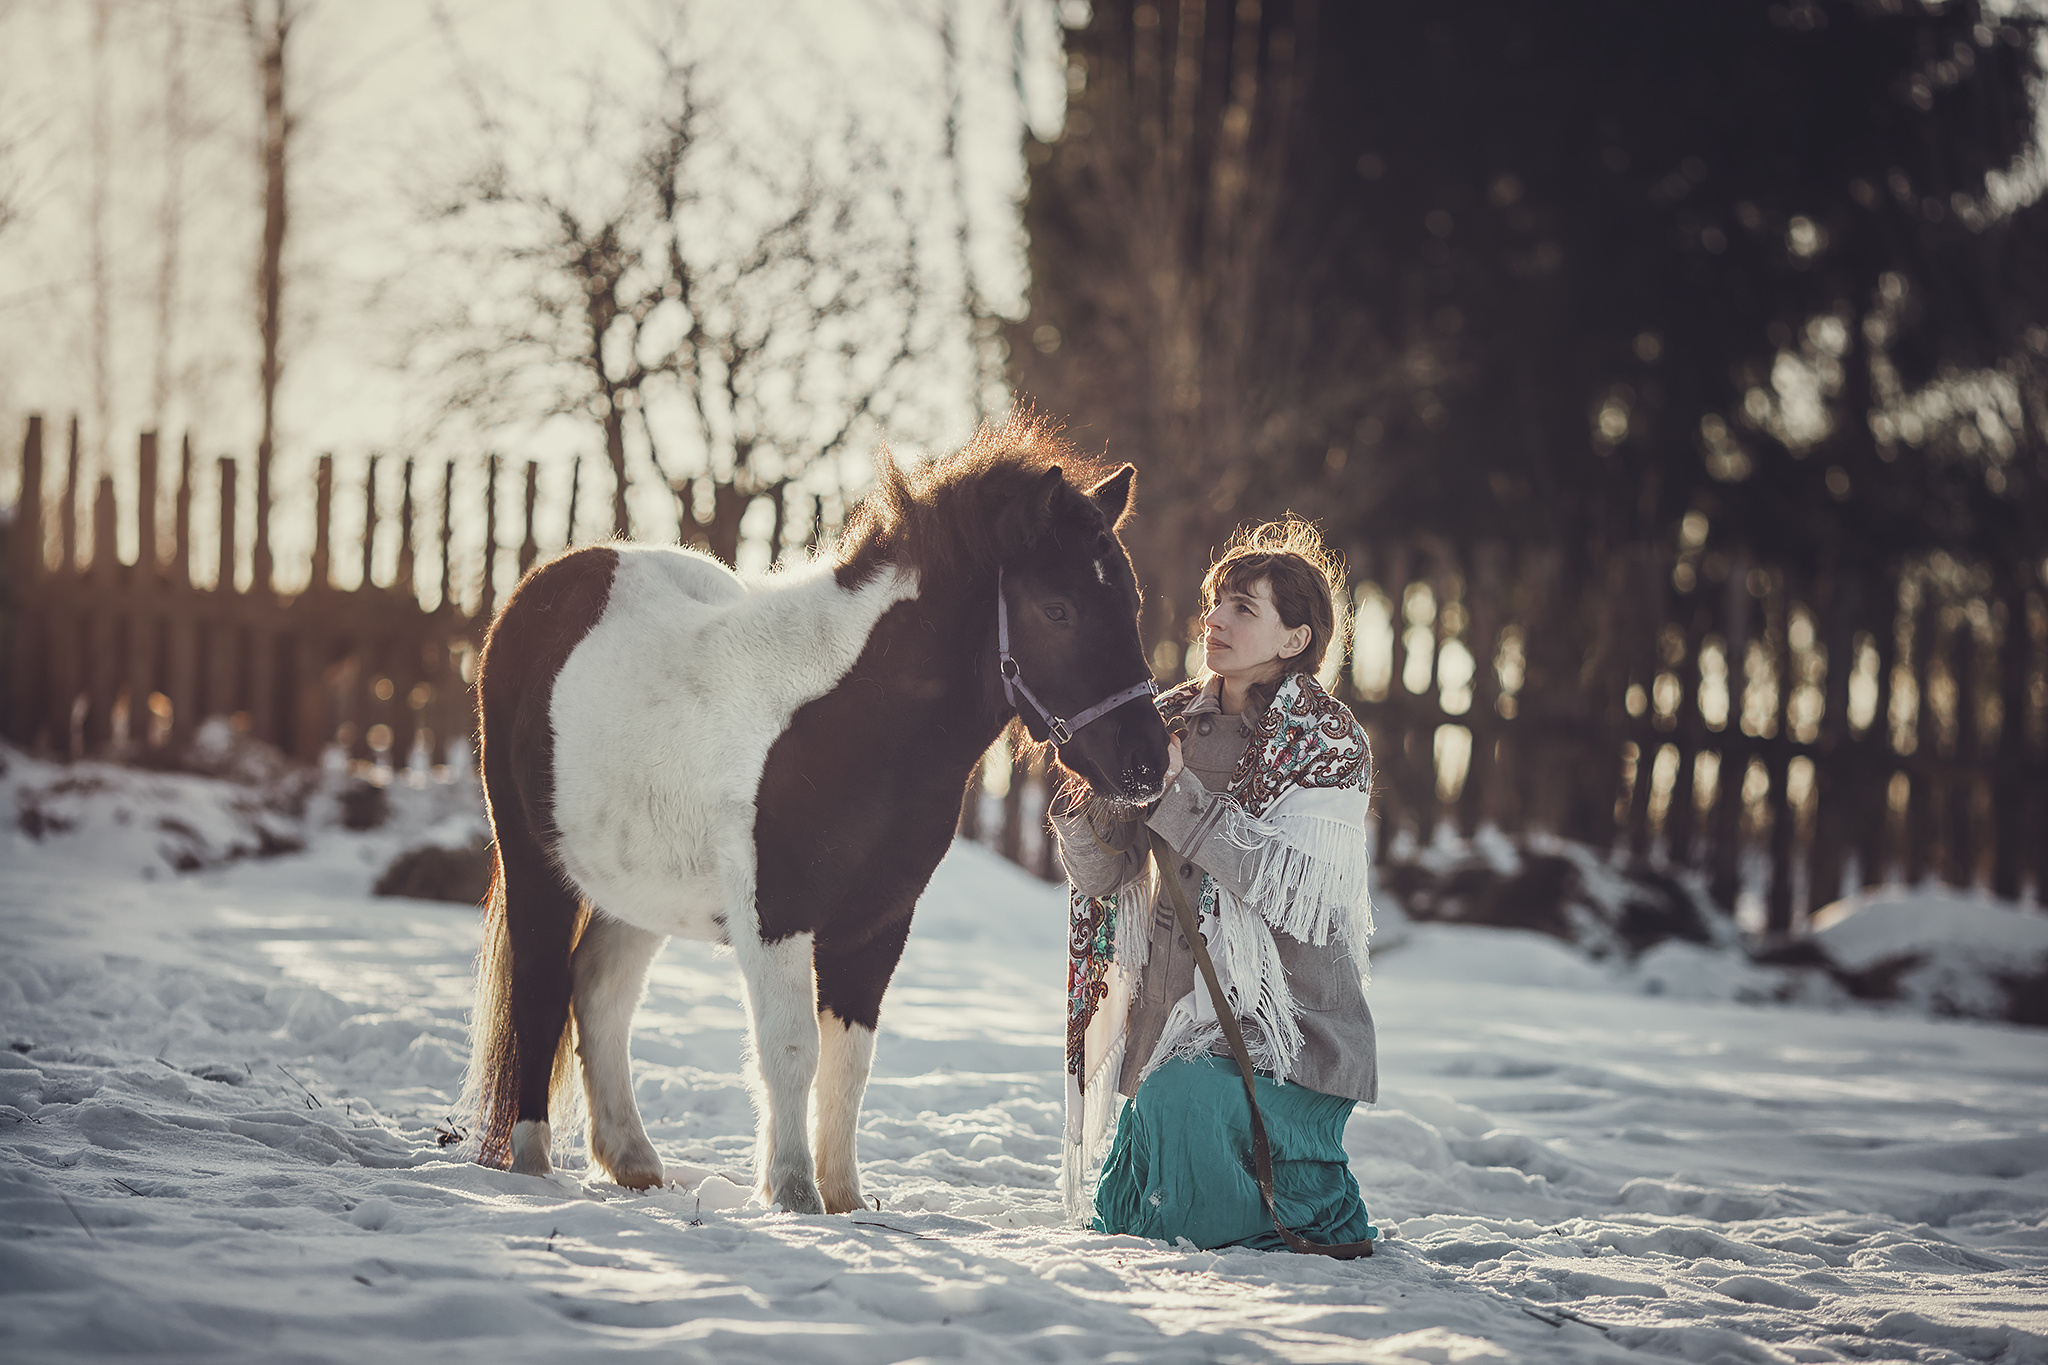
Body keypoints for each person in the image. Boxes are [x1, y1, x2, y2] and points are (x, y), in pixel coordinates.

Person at [1051, 517, 1378, 1251]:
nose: (1217, 619)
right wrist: (1087, 797)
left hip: (1290, 1036)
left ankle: (1303, 1218)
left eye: (1244, 608)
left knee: (1184, 1133)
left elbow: (1285, 886)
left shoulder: (1327, 741)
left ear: (1294, 638)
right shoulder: (1165, 722)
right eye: (1217, 602)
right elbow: (1106, 878)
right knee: (1130, 1218)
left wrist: (1174, 796)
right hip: (1173, 1029)